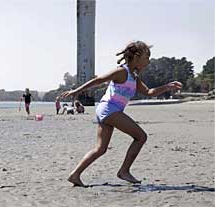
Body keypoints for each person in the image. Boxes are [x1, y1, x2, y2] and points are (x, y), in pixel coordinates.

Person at [60, 41, 182, 187]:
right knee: (141, 136)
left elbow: (149, 92)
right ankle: (124, 171)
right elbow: (98, 80)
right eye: (146, 58)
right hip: (109, 109)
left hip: (107, 111)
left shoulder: (133, 77)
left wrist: (167, 86)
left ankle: (75, 174)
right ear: (136, 57)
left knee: (100, 149)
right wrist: (76, 91)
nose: (148, 61)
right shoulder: (121, 71)